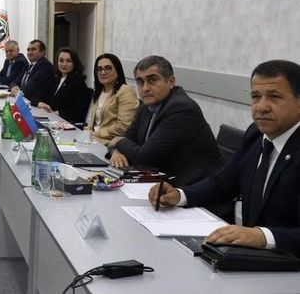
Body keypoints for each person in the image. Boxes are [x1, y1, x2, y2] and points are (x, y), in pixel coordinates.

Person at [149, 60, 300, 256]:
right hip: (254, 260)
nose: (261, 107)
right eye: (255, 96)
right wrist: (180, 195)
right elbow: (223, 183)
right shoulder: (255, 134)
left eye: (274, 96)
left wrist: (263, 236)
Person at [108, 55, 222, 187]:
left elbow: (144, 158)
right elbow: (128, 138)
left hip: (195, 189)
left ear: (171, 81)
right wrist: (115, 152)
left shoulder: (181, 109)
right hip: (161, 182)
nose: (145, 88)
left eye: (152, 80)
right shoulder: (147, 106)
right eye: (140, 82)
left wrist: (118, 141)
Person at [84, 53, 139, 145]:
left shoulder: (126, 91)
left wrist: (96, 133)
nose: (103, 72)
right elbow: (90, 122)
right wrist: (85, 133)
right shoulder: (98, 91)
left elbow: (123, 127)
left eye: (108, 68)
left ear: (118, 70)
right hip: (92, 140)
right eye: (99, 69)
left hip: (111, 144)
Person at [37, 47, 92, 125]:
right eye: (61, 60)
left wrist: (57, 113)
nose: (64, 64)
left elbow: (78, 112)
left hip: (66, 124)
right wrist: (39, 103)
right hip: (52, 120)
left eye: (68, 61)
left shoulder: (78, 82)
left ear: (74, 63)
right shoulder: (55, 79)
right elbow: (38, 95)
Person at [10, 39, 55, 106]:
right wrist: (13, 87)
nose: (29, 52)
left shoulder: (45, 66)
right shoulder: (27, 66)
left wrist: (16, 91)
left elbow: (29, 88)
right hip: (26, 102)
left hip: (38, 105)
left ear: (43, 52)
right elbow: (14, 82)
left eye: (33, 49)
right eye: (28, 50)